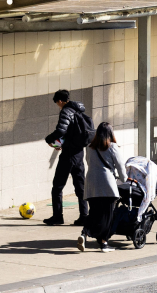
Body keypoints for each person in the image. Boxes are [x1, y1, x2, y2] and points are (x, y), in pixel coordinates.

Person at [43, 89, 93, 227]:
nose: (58, 106)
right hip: (79, 153)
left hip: (69, 154)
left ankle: (57, 216)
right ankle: (84, 216)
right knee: (80, 187)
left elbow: (61, 130)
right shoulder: (79, 110)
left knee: (57, 187)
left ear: (60, 101)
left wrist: (49, 139)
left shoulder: (66, 111)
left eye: (57, 103)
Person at [79, 122, 124, 252]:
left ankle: (84, 233)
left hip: (91, 184)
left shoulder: (89, 147)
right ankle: (104, 243)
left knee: (94, 213)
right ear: (110, 133)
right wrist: (124, 179)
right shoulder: (112, 147)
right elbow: (120, 166)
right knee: (107, 216)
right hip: (107, 185)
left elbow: (89, 162)